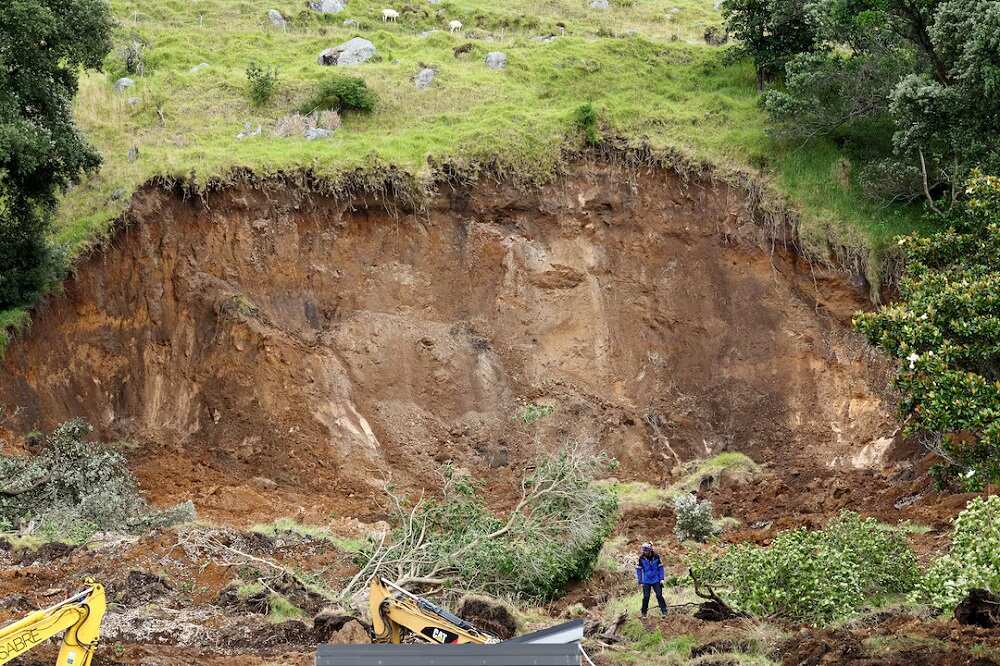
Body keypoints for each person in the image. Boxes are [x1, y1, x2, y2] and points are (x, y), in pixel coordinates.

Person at [635, 542, 668, 617]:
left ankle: (664, 611)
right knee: (646, 597)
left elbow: (660, 568)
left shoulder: (656, 557)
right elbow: (638, 570)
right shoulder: (641, 558)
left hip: (656, 579)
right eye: (644, 551)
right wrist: (640, 581)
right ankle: (644, 613)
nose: (645, 552)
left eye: (646, 550)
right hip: (646, 581)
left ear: (650, 550)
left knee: (659, 595)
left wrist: (661, 578)